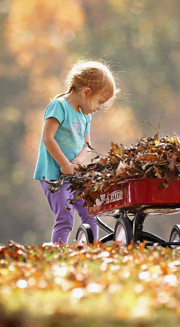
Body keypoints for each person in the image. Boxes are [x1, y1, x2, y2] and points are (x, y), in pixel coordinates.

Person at [33, 60, 118, 244]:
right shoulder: (59, 106)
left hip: (74, 176)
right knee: (65, 218)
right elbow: (47, 138)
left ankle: (92, 248)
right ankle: (59, 251)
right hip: (54, 176)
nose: (100, 107)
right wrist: (64, 164)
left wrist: (76, 164)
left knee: (90, 212)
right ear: (87, 92)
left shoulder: (85, 116)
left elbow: (87, 146)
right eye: (100, 102)